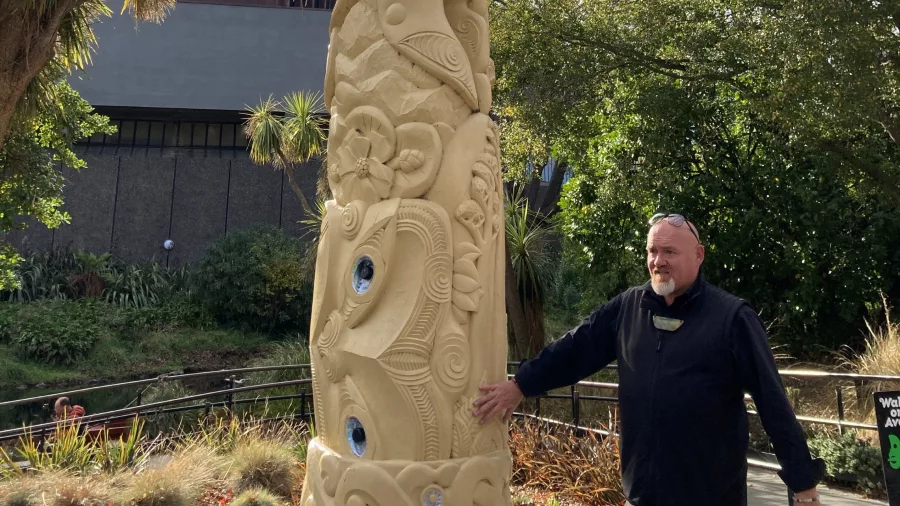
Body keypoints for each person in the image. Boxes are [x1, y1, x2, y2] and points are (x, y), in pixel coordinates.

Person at [473, 213, 825, 506]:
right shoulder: (629, 307)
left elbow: (772, 401)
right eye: (653, 251)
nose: (659, 261)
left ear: (699, 255)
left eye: (670, 251)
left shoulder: (732, 318)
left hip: (711, 497)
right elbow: (575, 349)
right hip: (642, 495)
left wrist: (803, 483)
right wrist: (521, 384)